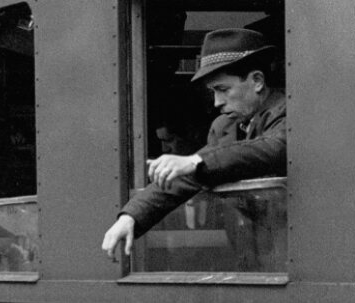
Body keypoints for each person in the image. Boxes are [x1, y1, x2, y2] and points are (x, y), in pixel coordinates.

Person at [101, 28, 286, 261]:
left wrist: (195, 161)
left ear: (257, 81)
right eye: (213, 92)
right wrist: (131, 216)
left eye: (223, 90)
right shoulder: (225, 126)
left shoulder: (288, 112)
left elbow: (273, 148)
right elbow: (189, 176)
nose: (217, 103)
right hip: (252, 259)